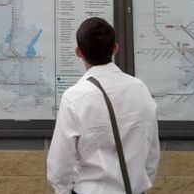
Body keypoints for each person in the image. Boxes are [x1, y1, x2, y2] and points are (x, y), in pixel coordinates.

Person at [46, 17, 160, 194]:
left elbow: (60, 164)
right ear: (115, 47)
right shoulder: (140, 89)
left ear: (78, 52)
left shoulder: (74, 97)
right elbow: (151, 151)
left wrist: (63, 190)